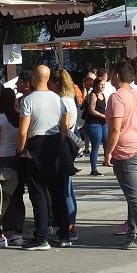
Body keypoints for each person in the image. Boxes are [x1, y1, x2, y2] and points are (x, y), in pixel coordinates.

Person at [16, 65, 69, 250]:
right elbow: (64, 126)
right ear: (47, 78)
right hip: (55, 145)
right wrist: (59, 141)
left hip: (35, 147)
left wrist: (20, 149)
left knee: (38, 194)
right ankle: (64, 234)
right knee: (58, 194)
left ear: (33, 79)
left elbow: (23, 131)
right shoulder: (58, 99)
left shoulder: (28, 100)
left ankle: (42, 236)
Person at [105, 62, 137, 249]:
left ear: (116, 75)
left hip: (127, 153)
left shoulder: (117, 97)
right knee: (134, 194)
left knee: (135, 196)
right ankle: (133, 233)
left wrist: (108, 152)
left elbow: (115, 128)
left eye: (111, 73)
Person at [0, 87, 25, 247]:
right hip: (19, 160)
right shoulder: (20, 117)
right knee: (18, 198)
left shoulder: (0, 119)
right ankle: (18, 233)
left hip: (4, 162)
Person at [50, 69, 80, 243]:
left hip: (63, 145)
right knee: (68, 189)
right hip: (70, 143)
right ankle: (71, 224)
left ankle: (70, 227)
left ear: (56, 84)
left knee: (65, 191)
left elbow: (64, 125)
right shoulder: (71, 100)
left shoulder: (62, 101)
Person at [83, 74, 109, 175]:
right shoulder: (93, 95)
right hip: (94, 124)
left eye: (104, 84)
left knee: (107, 143)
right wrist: (103, 116)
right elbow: (91, 110)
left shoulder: (103, 95)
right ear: (96, 85)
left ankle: (107, 161)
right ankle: (94, 169)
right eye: (101, 84)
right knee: (96, 146)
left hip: (104, 123)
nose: (102, 86)